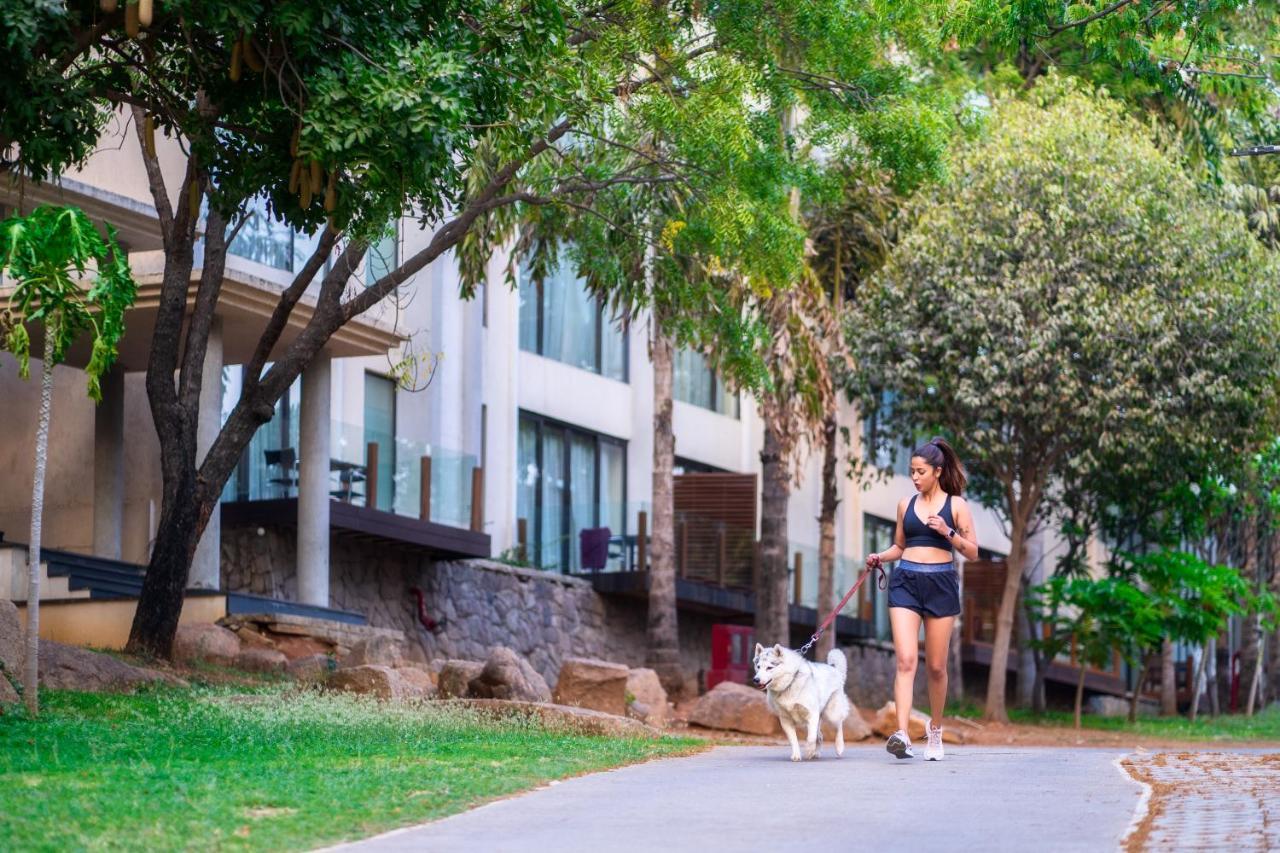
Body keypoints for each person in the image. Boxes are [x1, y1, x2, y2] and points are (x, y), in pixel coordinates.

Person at [865, 437, 978, 761]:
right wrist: (880, 557)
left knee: (938, 668)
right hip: (906, 582)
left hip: (941, 583)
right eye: (912, 471)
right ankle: (901, 733)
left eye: (920, 471)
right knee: (906, 660)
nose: (915, 477)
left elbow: (972, 551)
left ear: (937, 472)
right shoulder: (905, 505)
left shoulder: (956, 506)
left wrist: (947, 531)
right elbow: (900, 546)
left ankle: (935, 731)